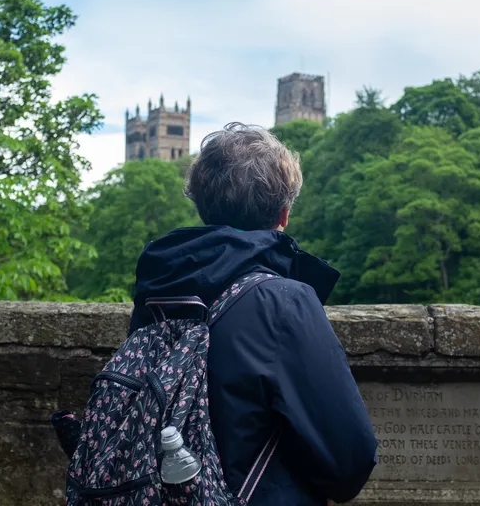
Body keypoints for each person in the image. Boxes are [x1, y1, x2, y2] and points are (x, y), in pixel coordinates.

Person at [128, 122, 378, 505]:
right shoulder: (283, 301)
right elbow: (348, 459)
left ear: (202, 205)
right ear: (283, 215)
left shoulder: (160, 287)